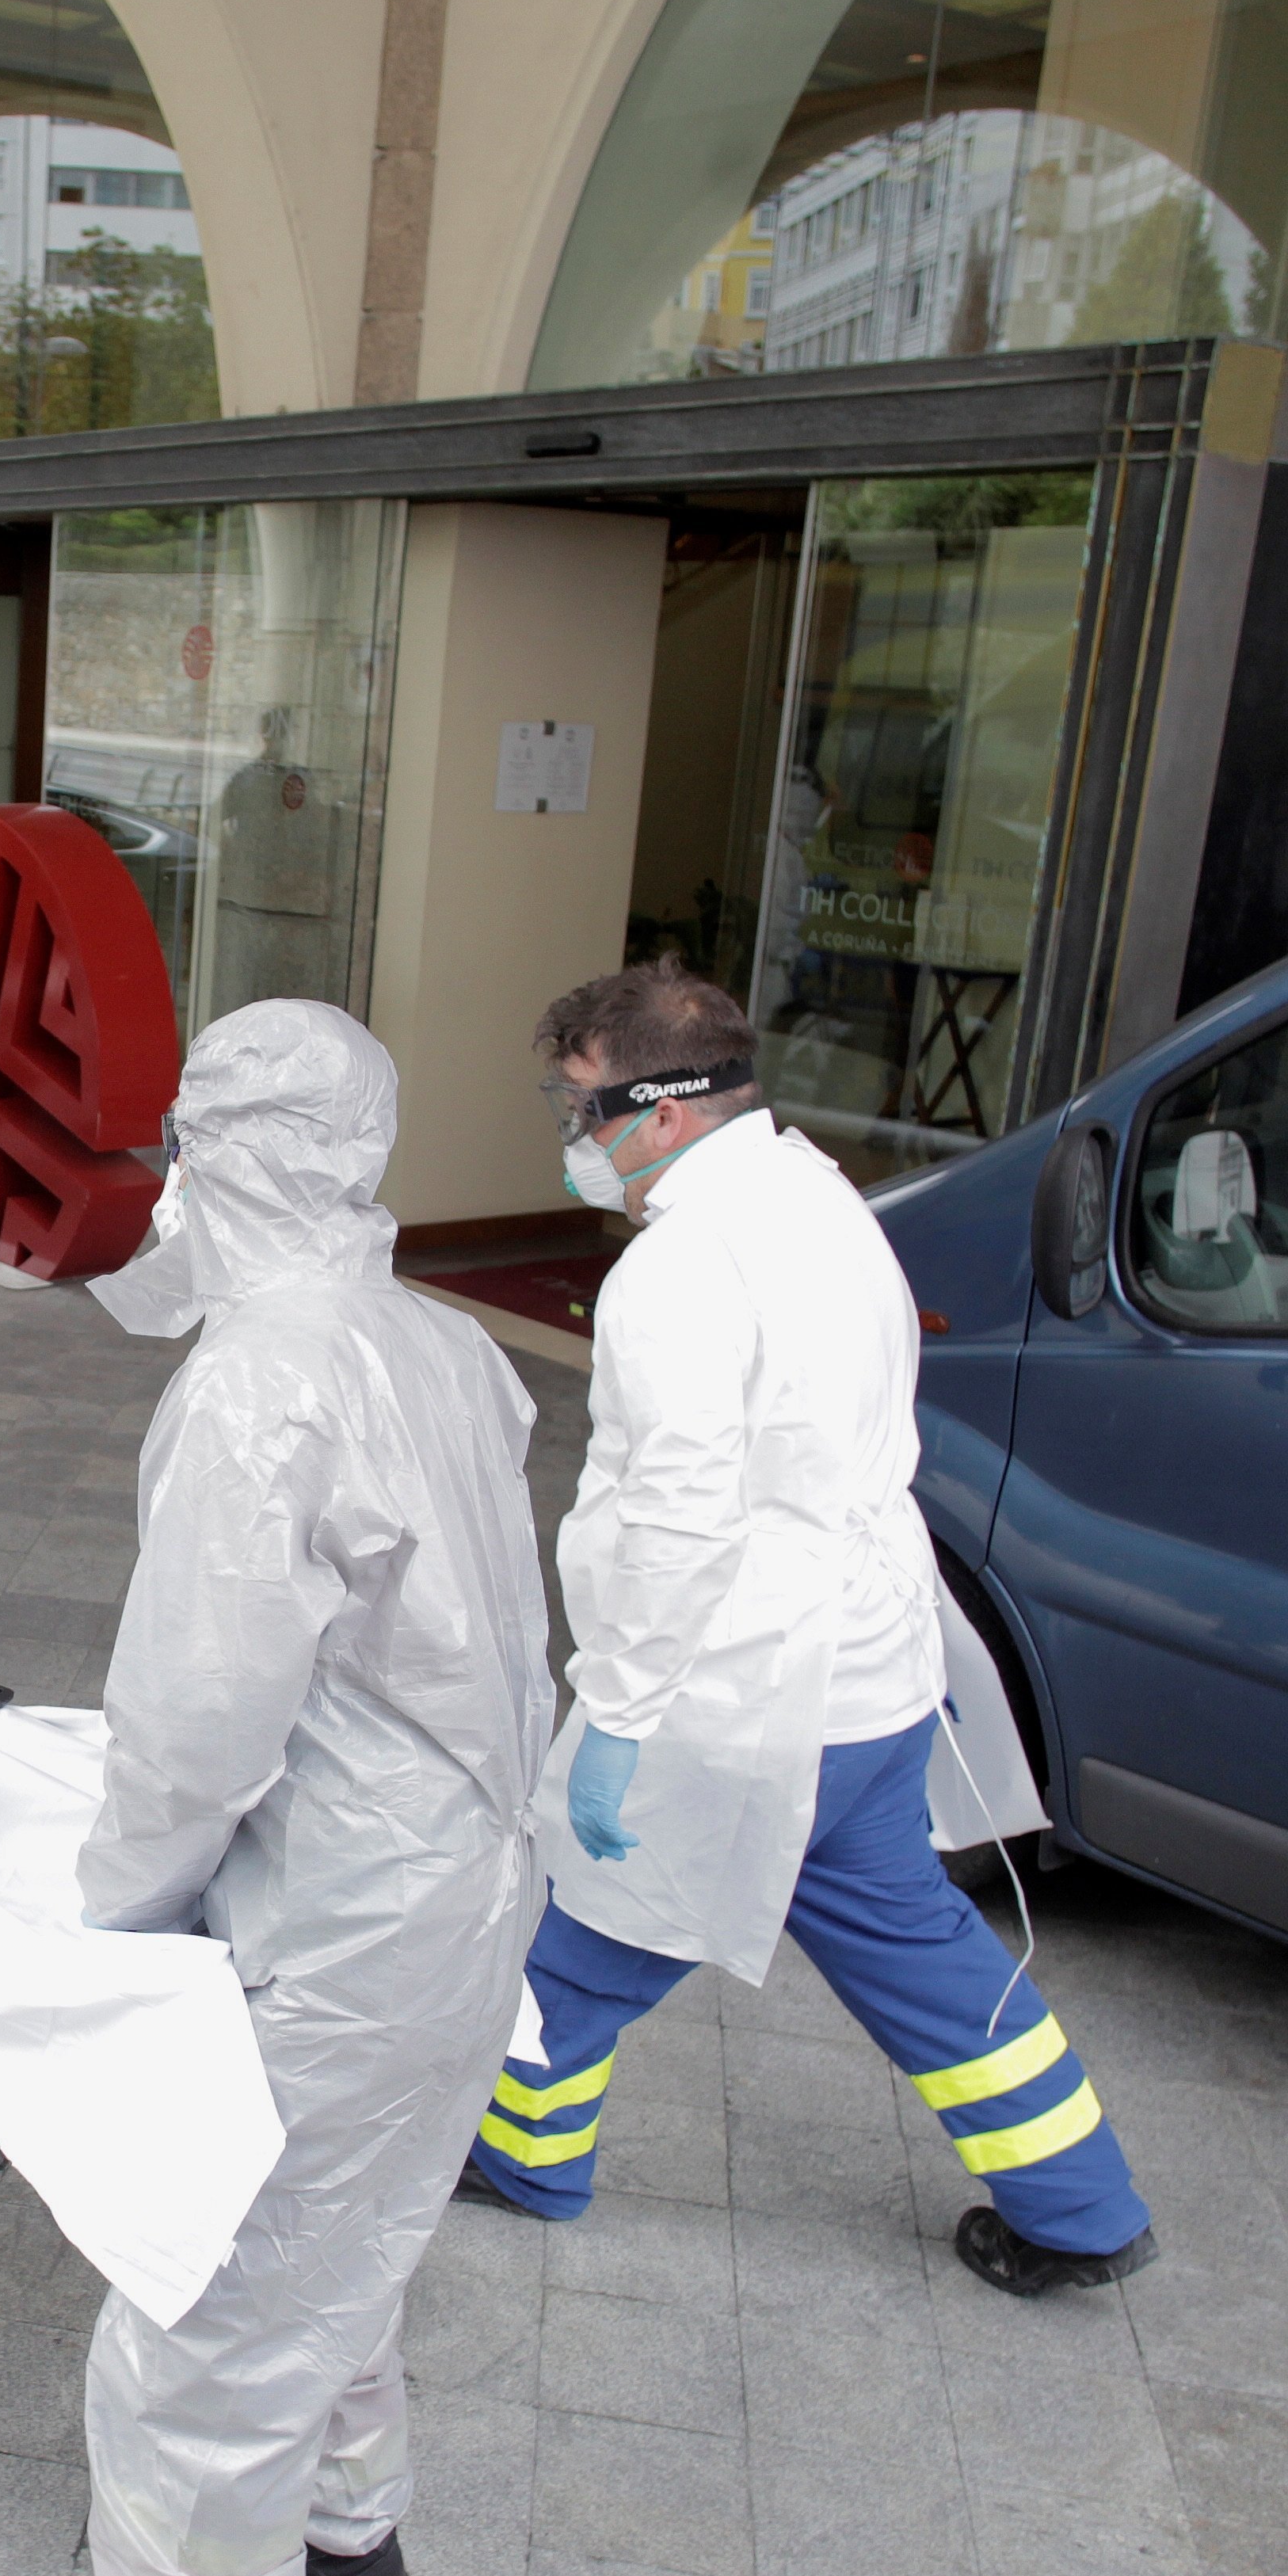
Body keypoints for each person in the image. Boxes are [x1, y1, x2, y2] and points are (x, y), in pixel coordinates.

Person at [0, 1001, 551, 2576]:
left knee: (201, 2342)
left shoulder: (263, 1382)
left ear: (214, 1156)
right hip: (465, 1893)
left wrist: (108, 1935)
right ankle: (354, 2542)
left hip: (346, 1919)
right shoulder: (439, 1344)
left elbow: (200, 1720)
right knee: (349, 2233)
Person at [455, 963, 1155, 2299]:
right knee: (918, 1945)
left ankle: (527, 2162)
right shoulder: (818, 1194)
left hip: (733, 1696)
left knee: (573, 1943)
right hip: (869, 1676)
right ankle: (1081, 2206)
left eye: (582, 1104)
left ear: (661, 1110)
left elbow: (675, 1520)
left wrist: (620, 1716)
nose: (570, 1134)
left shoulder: (679, 1271)